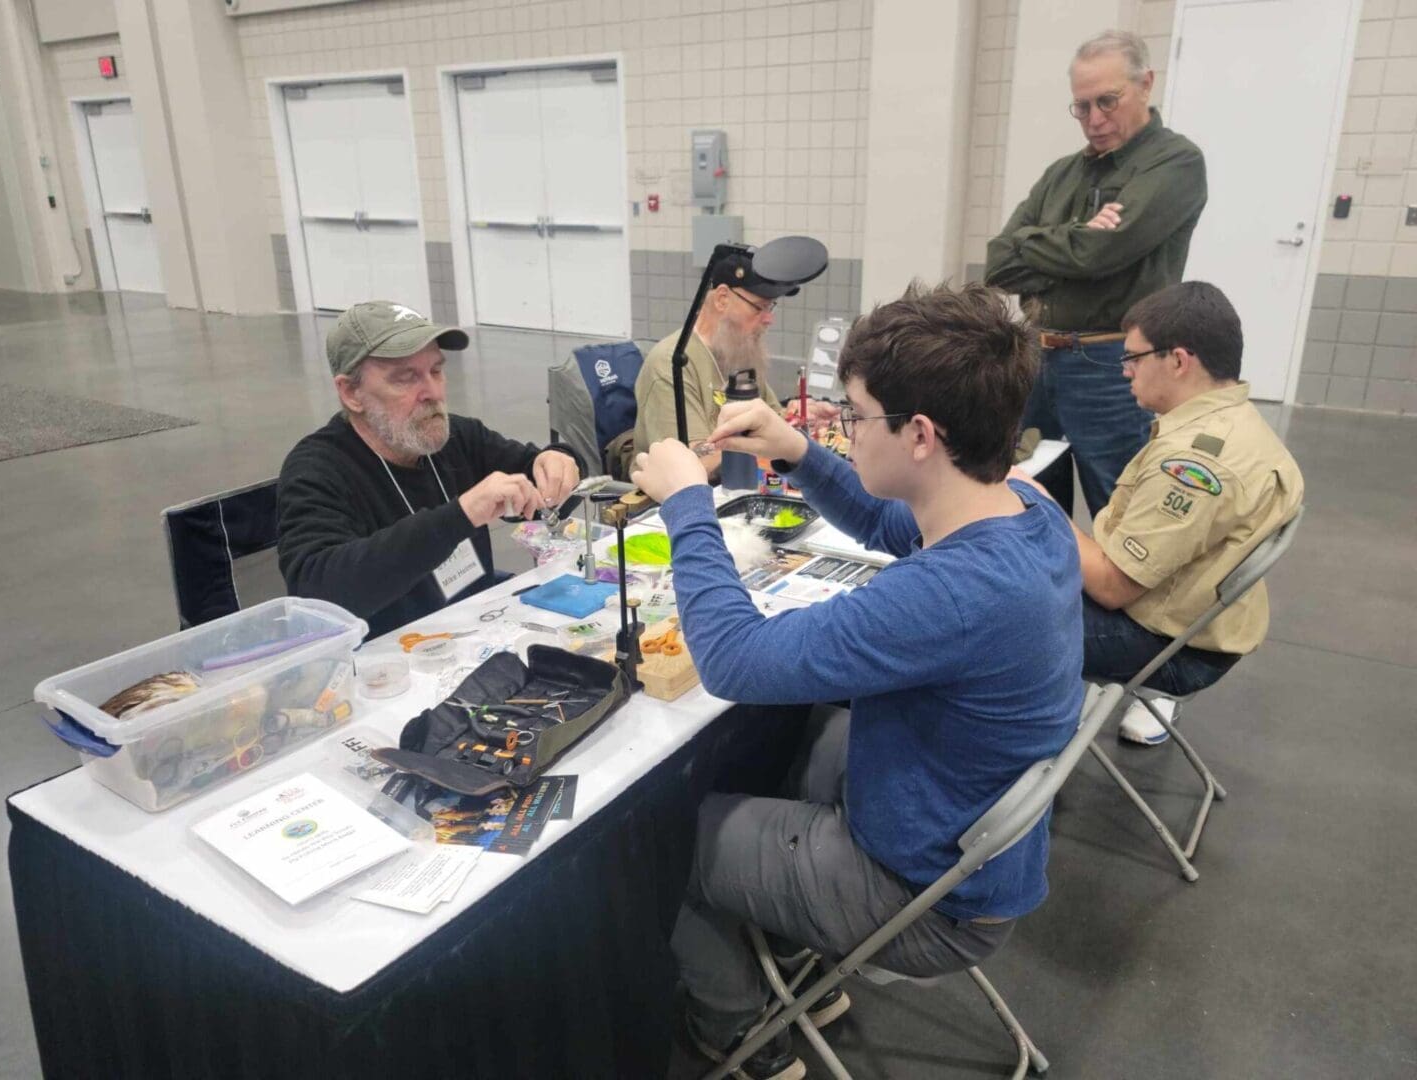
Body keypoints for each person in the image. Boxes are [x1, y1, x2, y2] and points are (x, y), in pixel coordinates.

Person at [631, 283, 1084, 1080]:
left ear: (919, 433)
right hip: (967, 839)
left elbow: (733, 658)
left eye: (854, 415)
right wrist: (799, 452)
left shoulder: (947, 596)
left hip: (929, 898)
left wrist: (688, 507)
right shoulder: (1025, 510)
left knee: (655, 843)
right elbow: (887, 523)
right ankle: (804, 971)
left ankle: (741, 1036)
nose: (842, 427)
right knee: (811, 736)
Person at [1017, 282, 1304, 745]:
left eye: (1132, 357)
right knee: (1010, 583)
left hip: (1167, 646)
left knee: (987, 621)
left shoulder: (1195, 464)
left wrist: (1038, 502)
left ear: (1178, 360)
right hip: (1180, 620)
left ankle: (1009, 762)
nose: (1124, 370)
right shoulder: (1233, 423)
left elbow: (1112, 587)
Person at [986, 29, 1207, 515]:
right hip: (1037, 357)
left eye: (1108, 101)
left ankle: (1123, 594)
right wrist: (1074, 235)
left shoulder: (1175, 163)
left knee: (1120, 508)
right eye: (1082, 107)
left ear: (1146, 84)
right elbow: (999, 262)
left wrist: (1042, 242)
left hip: (1113, 366)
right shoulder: (1062, 173)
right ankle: (1050, 590)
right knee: (1024, 496)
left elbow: (1098, 255)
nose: (1095, 120)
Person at [277, 301, 581, 639]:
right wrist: (459, 516)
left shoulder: (456, 438)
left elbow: (539, 487)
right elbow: (319, 594)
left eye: (436, 371)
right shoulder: (318, 469)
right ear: (351, 393)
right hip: (389, 666)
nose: (433, 393)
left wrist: (559, 462)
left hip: (476, 632)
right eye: (406, 378)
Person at [631, 251, 791, 472]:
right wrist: (770, 444)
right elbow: (694, 462)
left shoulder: (739, 350)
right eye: (759, 307)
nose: (769, 318)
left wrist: (800, 415)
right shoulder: (671, 364)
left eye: (770, 307)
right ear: (722, 299)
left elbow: (776, 419)